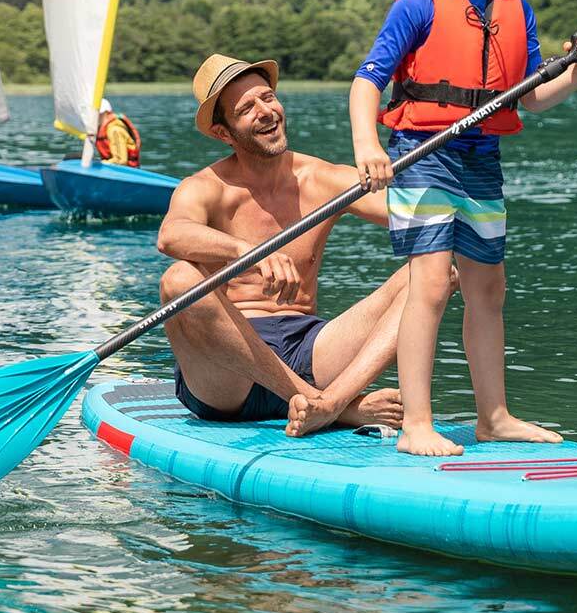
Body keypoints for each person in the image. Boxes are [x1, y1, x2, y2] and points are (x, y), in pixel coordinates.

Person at [349, 0, 577, 457]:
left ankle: (493, 416)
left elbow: (531, 96)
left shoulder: (515, 4)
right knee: (431, 284)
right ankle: (416, 423)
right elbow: (367, 82)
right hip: (422, 154)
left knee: (488, 288)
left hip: (480, 158)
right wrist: (367, 146)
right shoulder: (419, 0)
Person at [157, 53, 415, 437]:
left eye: (268, 97)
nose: (265, 111)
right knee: (178, 279)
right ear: (224, 133)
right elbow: (171, 235)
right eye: (246, 108)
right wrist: (248, 253)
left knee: (432, 268)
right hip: (227, 377)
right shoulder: (205, 187)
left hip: (310, 351)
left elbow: (420, 217)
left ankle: (329, 402)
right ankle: (337, 408)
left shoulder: (323, 178)